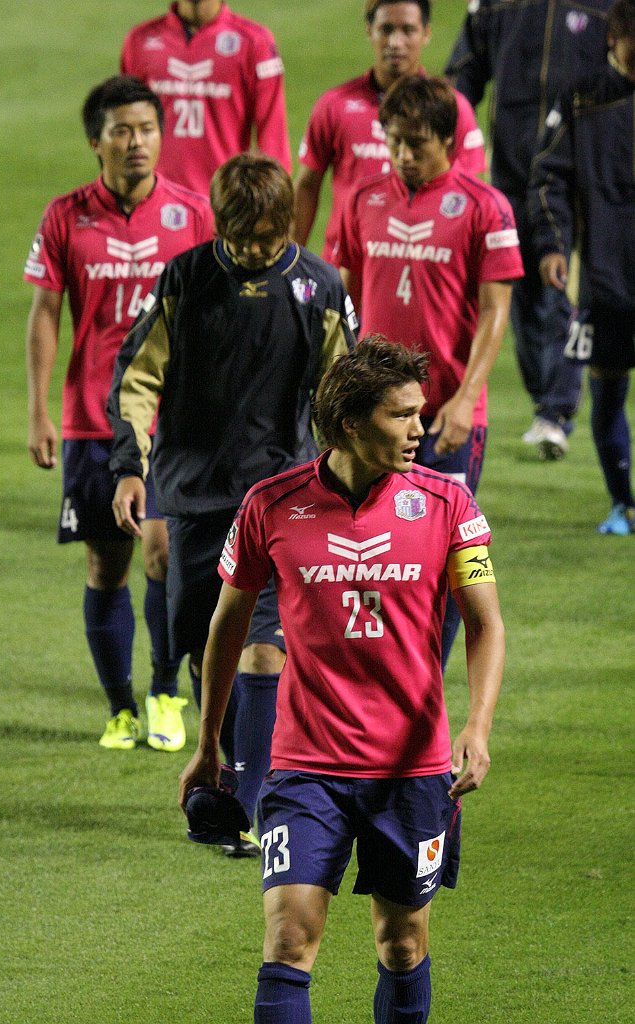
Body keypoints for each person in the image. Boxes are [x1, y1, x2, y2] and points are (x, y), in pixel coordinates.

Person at [179, 336, 505, 1024]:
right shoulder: (271, 505)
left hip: (412, 769)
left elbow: (484, 624)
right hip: (306, 766)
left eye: (418, 412)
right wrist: (208, 745)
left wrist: (477, 727)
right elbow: (227, 628)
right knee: (288, 937)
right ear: (351, 423)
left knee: (402, 942)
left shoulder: (448, 504)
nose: (418, 428)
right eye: (401, 415)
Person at [107, 154, 357, 850]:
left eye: (267, 237)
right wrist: (130, 468)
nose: (252, 250)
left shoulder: (319, 286)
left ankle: (251, 807)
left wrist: (348, 481)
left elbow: (344, 391)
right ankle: (224, 774)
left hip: (281, 497)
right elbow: (136, 378)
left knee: (263, 651)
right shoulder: (186, 278)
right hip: (193, 494)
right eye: (240, 238)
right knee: (205, 653)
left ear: (288, 224)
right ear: (220, 225)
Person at [24, 75, 214, 752]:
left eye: (147, 129)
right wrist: (39, 410)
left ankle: (164, 690)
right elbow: (46, 313)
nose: (137, 142)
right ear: (95, 141)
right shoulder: (64, 216)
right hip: (91, 420)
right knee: (106, 564)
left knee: (162, 552)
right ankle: (119, 708)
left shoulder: (193, 215)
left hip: (171, 422)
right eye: (122, 130)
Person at [334, 75, 522, 665]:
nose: (403, 155)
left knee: (446, 562)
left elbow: (495, 311)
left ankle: (425, 684)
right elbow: (344, 298)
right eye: (393, 141)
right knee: (366, 552)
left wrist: (466, 399)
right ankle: (375, 677)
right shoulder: (364, 198)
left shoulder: (485, 207)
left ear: (448, 140)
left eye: (415, 143)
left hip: (446, 419)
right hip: (373, 417)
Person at [446, 0, 612, 459]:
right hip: (512, 173)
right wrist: (445, 132)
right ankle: (546, 400)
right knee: (517, 291)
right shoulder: (497, 4)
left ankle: (557, 410)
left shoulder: (606, 6)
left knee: (559, 288)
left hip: (575, 176)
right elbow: (464, 73)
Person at [528, 0, 635, 535]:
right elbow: (548, 177)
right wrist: (553, 244)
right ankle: (623, 504)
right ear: (614, 38)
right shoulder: (582, 96)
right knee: (608, 389)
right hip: (606, 278)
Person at [293, 0, 486, 262]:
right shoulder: (334, 105)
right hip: (344, 267)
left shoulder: (453, 109)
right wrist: (290, 264)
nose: (395, 42)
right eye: (386, 29)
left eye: (408, 30)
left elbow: (472, 194)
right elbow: (307, 186)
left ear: (426, 33)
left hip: (420, 268)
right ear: (369, 30)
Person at [120, 0, 291, 197]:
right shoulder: (139, 41)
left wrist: (271, 205)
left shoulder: (255, 42)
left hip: (223, 203)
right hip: (155, 203)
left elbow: (273, 144)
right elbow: (124, 128)